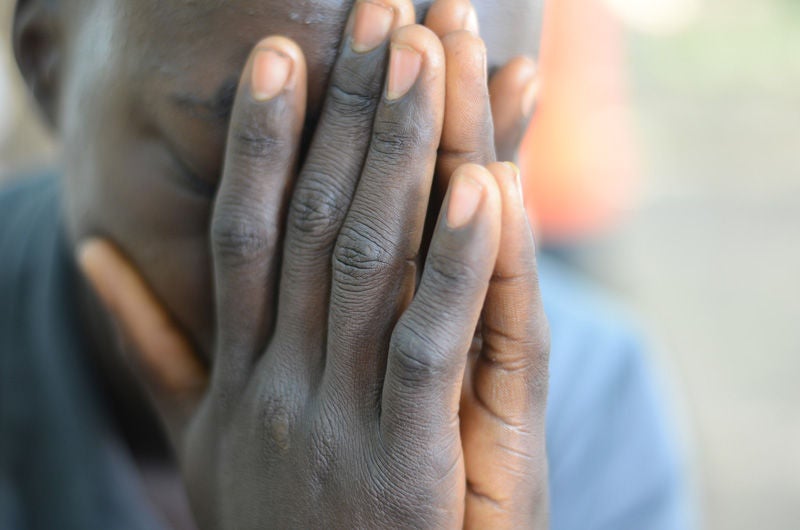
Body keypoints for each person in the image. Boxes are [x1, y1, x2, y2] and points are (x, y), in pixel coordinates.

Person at [0, 0, 693, 528]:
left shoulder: (595, 407)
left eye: (448, 170)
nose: (348, 276)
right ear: (47, 67)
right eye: (229, 170)